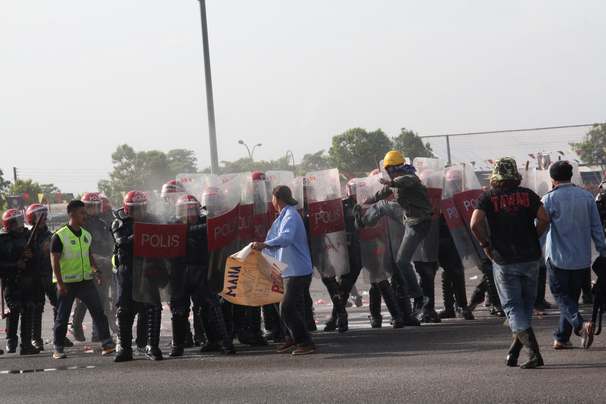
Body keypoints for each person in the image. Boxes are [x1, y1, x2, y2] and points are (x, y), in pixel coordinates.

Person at [471, 157, 550, 369]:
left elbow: (475, 223)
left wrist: (485, 245)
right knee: (525, 306)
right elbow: (544, 218)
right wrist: (534, 236)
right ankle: (513, 353)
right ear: (515, 175)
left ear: (495, 176)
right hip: (531, 258)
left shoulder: (488, 197)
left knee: (513, 307)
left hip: (504, 259)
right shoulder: (528, 194)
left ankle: (534, 353)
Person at [541, 160, 606, 350]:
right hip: (581, 259)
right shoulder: (586, 197)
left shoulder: (548, 199)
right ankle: (562, 337)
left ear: (552, 179)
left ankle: (580, 325)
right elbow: (596, 227)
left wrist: (534, 249)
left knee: (561, 296)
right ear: (571, 176)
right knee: (570, 298)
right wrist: (603, 250)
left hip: (557, 257)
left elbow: (541, 228)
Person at [252, 185, 315, 355]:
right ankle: (293, 337)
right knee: (285, 305)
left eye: (273, 198)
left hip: (297, 270)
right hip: (286, 269)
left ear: (277, 199)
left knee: (287, 307)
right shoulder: (283, 216)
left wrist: (264, 244)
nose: (271, 201)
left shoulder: (290, 216)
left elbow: (286, 238)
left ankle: (305, 343)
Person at [169, 194, 234, 356]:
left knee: (211, 306)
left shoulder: (206, 222)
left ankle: (222, 342)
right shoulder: (173, 225)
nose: (190, 214)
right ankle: (178, 346)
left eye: (192, 210)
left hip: (202, 270)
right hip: (180, 273)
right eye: (186, 210)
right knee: (179, 310)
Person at [50, 200, 115, 359]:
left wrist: (96, 271)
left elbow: (88, 255)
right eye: (82, 213)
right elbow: (55, 262)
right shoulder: (59, 236)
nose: (85, 216)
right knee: (62, 317)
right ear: (72, 214)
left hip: (85, 281)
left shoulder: (86, 235)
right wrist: (60, 284)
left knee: (99, 312)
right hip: (67, 284)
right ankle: (58, 348)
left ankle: (107, 343)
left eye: (85, 213)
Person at [111, 191, 164, 362]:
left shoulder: (153, 220)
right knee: (124, 310)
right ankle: (125, 349)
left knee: (153, 308)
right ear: (128, 209)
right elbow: (121, 242)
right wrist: (142, 233)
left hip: (149, 268)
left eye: (142, 208)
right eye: (136, 208)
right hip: (128, 269)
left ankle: (152, 346)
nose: (140, 211)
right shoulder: (119, 222)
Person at [26, 204, 74, 351]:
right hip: (34, 275)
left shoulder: (51, 235)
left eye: (44, 215)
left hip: (49, 274)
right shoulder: (27, 236)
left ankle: (59, 335)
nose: (44, 218)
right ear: (32, 217)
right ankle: (36, 338)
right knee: (37, 307)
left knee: (59, 305)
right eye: (39, 215)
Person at [70, 192, 115, 341]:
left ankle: (98, 333)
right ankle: (76, 325)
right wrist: (95, 259)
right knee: (84, 300)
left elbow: (109, 243)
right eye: (90, 206)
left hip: (103, 266)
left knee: (101, 300)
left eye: (96, 206)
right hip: (85, 266)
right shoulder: (79, 225)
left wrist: (108, 257)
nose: (93, 209)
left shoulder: (102, 223)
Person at [0, 209, 38, 355]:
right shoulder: (2, 240)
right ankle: (11, 341)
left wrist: (31, 255)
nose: (21, 226)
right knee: (14, 310)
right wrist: (15, 265)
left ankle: (26, 344)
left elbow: (37, 256)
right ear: (9, 225)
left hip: (27, 280)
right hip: (11, 281)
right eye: (17, 223)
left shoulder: (27, 235)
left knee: (28, 309)